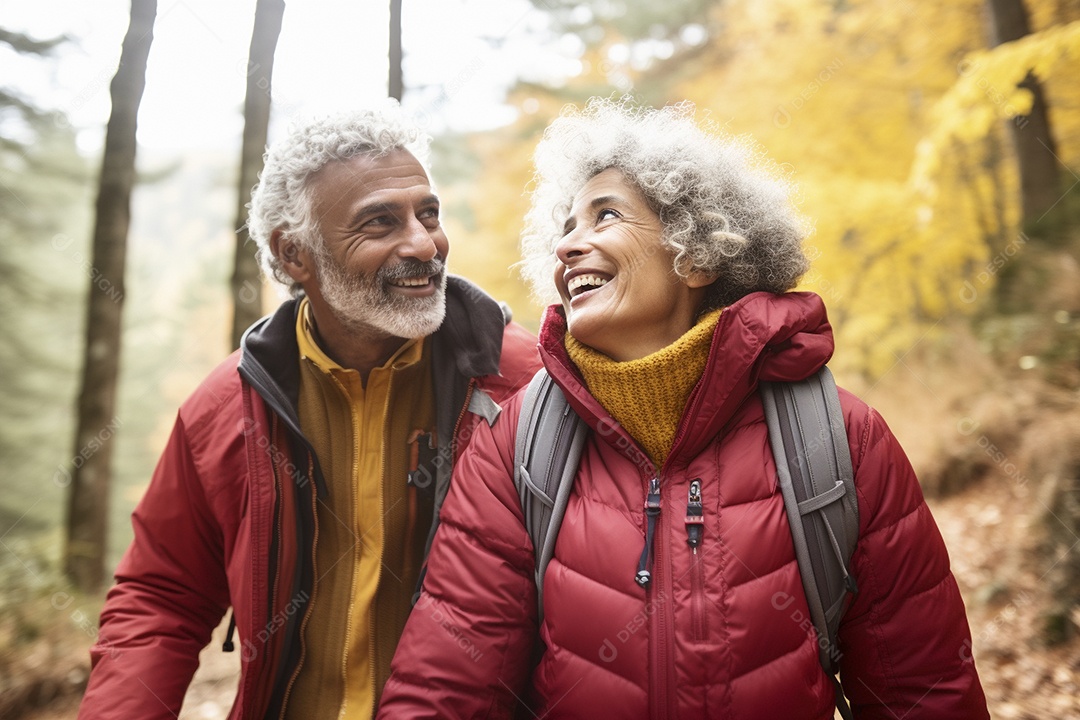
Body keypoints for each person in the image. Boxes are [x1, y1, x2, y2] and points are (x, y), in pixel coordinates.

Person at [378, 99, 989, 718]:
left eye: (605, 215)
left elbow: (925, 692)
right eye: (565, 228)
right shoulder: (518, 445)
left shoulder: (839, 439)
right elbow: (445, 684)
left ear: (696, 255)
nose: (568, 247)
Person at [77, 105, 541, 719]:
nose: (424, 243)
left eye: (428, 213)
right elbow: (162, 594)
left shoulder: (527, 384)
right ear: (295, 254)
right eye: (380, 222)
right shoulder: (224, 408)